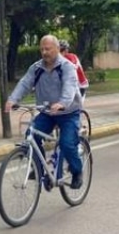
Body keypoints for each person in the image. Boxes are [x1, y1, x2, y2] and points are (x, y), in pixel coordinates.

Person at [5, 35, 84, 189]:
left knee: (66, 144)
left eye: (47, 49)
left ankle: (77, 171)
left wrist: (62, 103)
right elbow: (24, 83)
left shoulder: (66, 67)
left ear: (56, 49)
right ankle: (39, 168)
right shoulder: (36, 68)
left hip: (68, 113)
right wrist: (13, 99)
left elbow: (69, 87)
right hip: (47, 112)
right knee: (31, 135)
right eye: (42, 49)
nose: (44, 52)